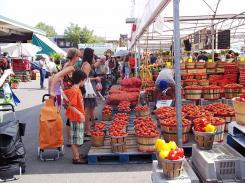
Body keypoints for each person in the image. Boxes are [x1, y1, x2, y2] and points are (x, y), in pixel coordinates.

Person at [51, 48, 81, 147]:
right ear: (75, 56)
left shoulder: (67, 65)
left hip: (68, 93)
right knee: (71, 117)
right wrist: (53, 91)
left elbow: (61, 79)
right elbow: (57, 77)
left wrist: (62, 91)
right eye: (78, 56)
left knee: (71, 116)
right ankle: (70, 140)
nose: (78, 58)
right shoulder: (70, 67)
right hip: (70, 94)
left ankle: (71, 140)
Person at [64, 70, 87, 164]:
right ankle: (76, 158)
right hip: (75, 117)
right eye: (85, 80)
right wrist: (80, 114)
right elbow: (72, 106)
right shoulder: (75, 90)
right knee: (75, 139)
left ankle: (77, 154)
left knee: (77, 137)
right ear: (81, 80)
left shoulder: (74, 89)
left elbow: (64, 93)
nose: (85, 82)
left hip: (76, 117)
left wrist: (66, 101)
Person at [81, 48, 100, 136]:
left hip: (90, 89)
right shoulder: (86, 65)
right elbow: (85, 79)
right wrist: (95, 78)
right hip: (89, 90)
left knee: (91, 109)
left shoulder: (87, 64)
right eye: (92, 54)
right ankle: (87, 130)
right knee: (88, 110)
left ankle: (93, 126)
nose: (94, 56)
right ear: (89, 55)